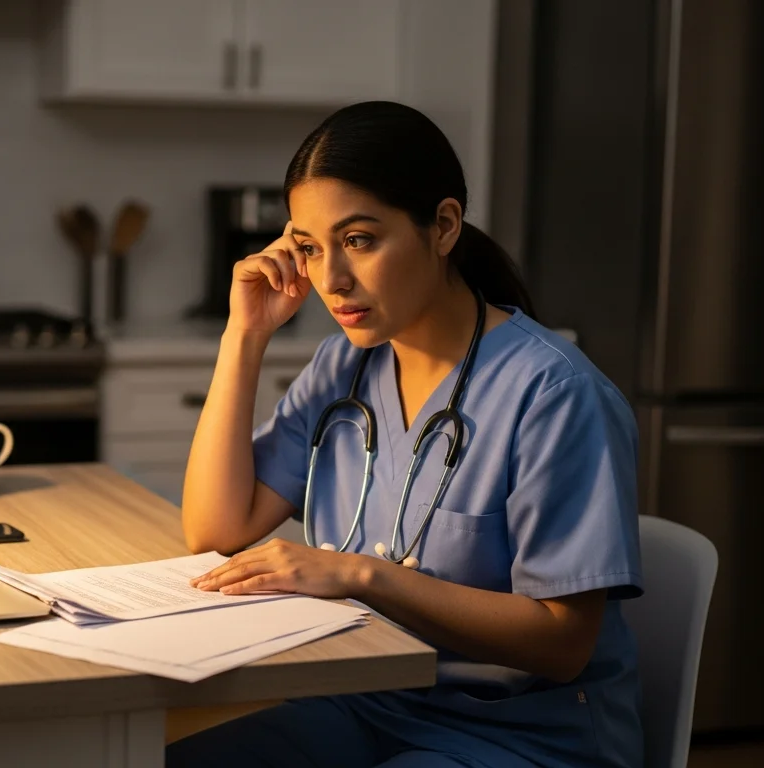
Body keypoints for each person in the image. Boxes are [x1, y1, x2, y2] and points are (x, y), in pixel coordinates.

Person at [170, 101, 644, 768]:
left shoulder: (555, 394)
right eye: (309, 248)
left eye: (359, 240)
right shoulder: (345, 364)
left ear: (443, 226)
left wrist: (361, 575)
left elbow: (561, 644)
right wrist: (243, 334)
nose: (330, 279)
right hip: (362, 700)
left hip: (518, 735)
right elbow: (216, 529)